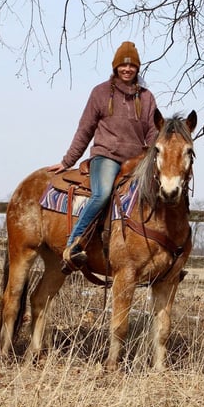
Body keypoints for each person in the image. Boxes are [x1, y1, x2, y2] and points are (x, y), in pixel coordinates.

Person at [48, 41, 159, 271]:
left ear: (137, 69)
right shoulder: (100, 93)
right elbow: (85, 129)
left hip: (136, 161)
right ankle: (74, 244)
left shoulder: (146, 97)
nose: (127, 70)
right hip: (106, 156)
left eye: (132, 67)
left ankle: (159, 256)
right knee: (102, 194)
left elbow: (153, 129)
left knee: (155, 194)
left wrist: (153, 154)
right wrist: (67, 161)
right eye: (123, 66)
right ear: (116, 67)